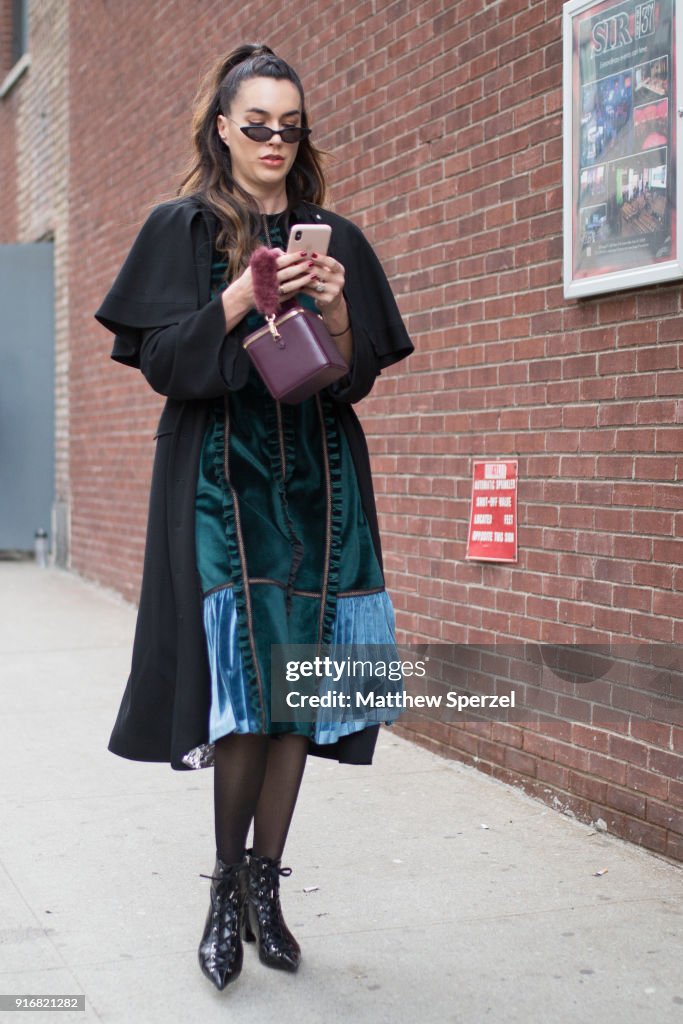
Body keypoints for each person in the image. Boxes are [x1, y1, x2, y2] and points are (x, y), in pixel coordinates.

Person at [94, 43, 414, 991]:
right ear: (223, 128)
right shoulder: (181, 229)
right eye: (258, 124)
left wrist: (338, 304)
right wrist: (241, 294)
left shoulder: (335, 237)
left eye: (291, 125)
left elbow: (352, 378)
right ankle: (224, 892)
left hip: (318, 482)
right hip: (219, 488)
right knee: (241, 694)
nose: (276, 140)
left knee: (298, 696)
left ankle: (267, 888)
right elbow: (162, 365)